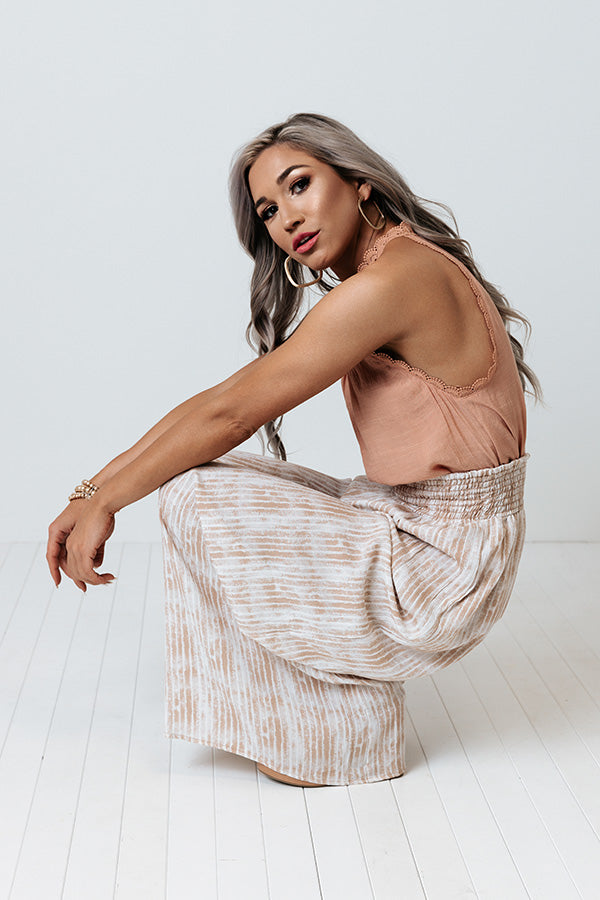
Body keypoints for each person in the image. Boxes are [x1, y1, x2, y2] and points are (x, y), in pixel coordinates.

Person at [46, 112, 541, 788]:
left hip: (446, 567)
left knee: (194, 494)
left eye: (299, 185)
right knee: (202, 479)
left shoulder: (393, 283)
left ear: (359, 182)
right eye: (269, 211)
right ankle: (339, 720)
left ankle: (331, 734)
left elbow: (230, 413)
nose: (287, 219)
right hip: (420, 526)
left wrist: (104, 501)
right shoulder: (396, 265)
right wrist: (91, 492)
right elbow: (223, 400)